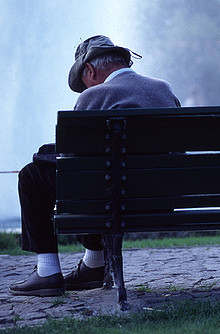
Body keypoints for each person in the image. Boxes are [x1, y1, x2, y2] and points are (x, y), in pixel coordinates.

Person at [10, 35, 181, 296]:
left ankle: (47, 272)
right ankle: (93, 265)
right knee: (97, 175)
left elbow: (74, 164)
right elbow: (178, 151)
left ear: (90, 70)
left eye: (84, 82)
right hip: (160, 198)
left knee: (34, 176)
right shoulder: (163, 89)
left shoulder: (94, 96)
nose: (85, 88)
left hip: (113, 197)